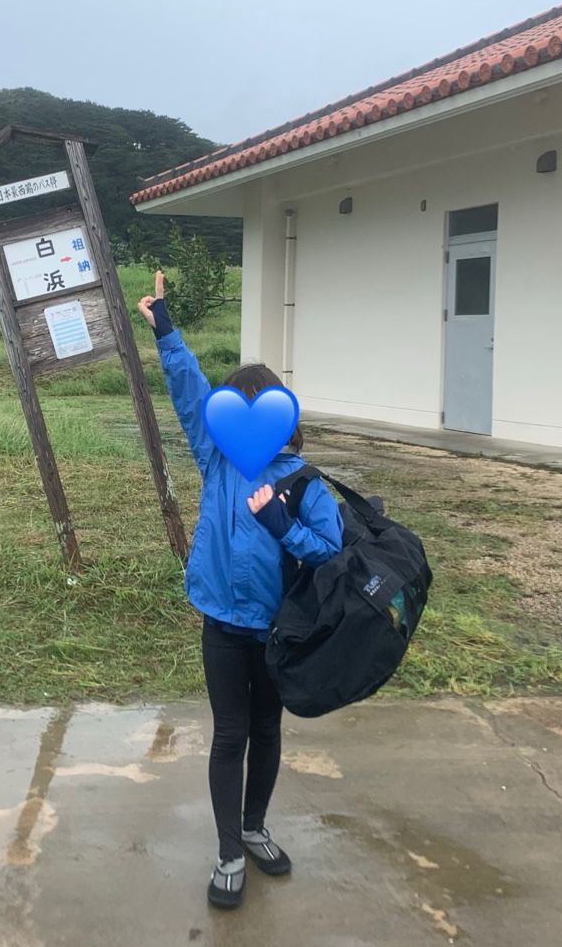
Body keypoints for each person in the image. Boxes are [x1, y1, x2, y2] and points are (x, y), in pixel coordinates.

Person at [137, 269, 344, 910]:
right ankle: (230, 850)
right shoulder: (215, 459)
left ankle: (255, 829)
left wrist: (283, 527)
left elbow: (333, 553)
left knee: (267, 731)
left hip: (280, 628)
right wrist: (166, 330)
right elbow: (188, 391)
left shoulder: (305, 483)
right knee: (231, 736)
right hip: (222, 623)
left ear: (285, 421)